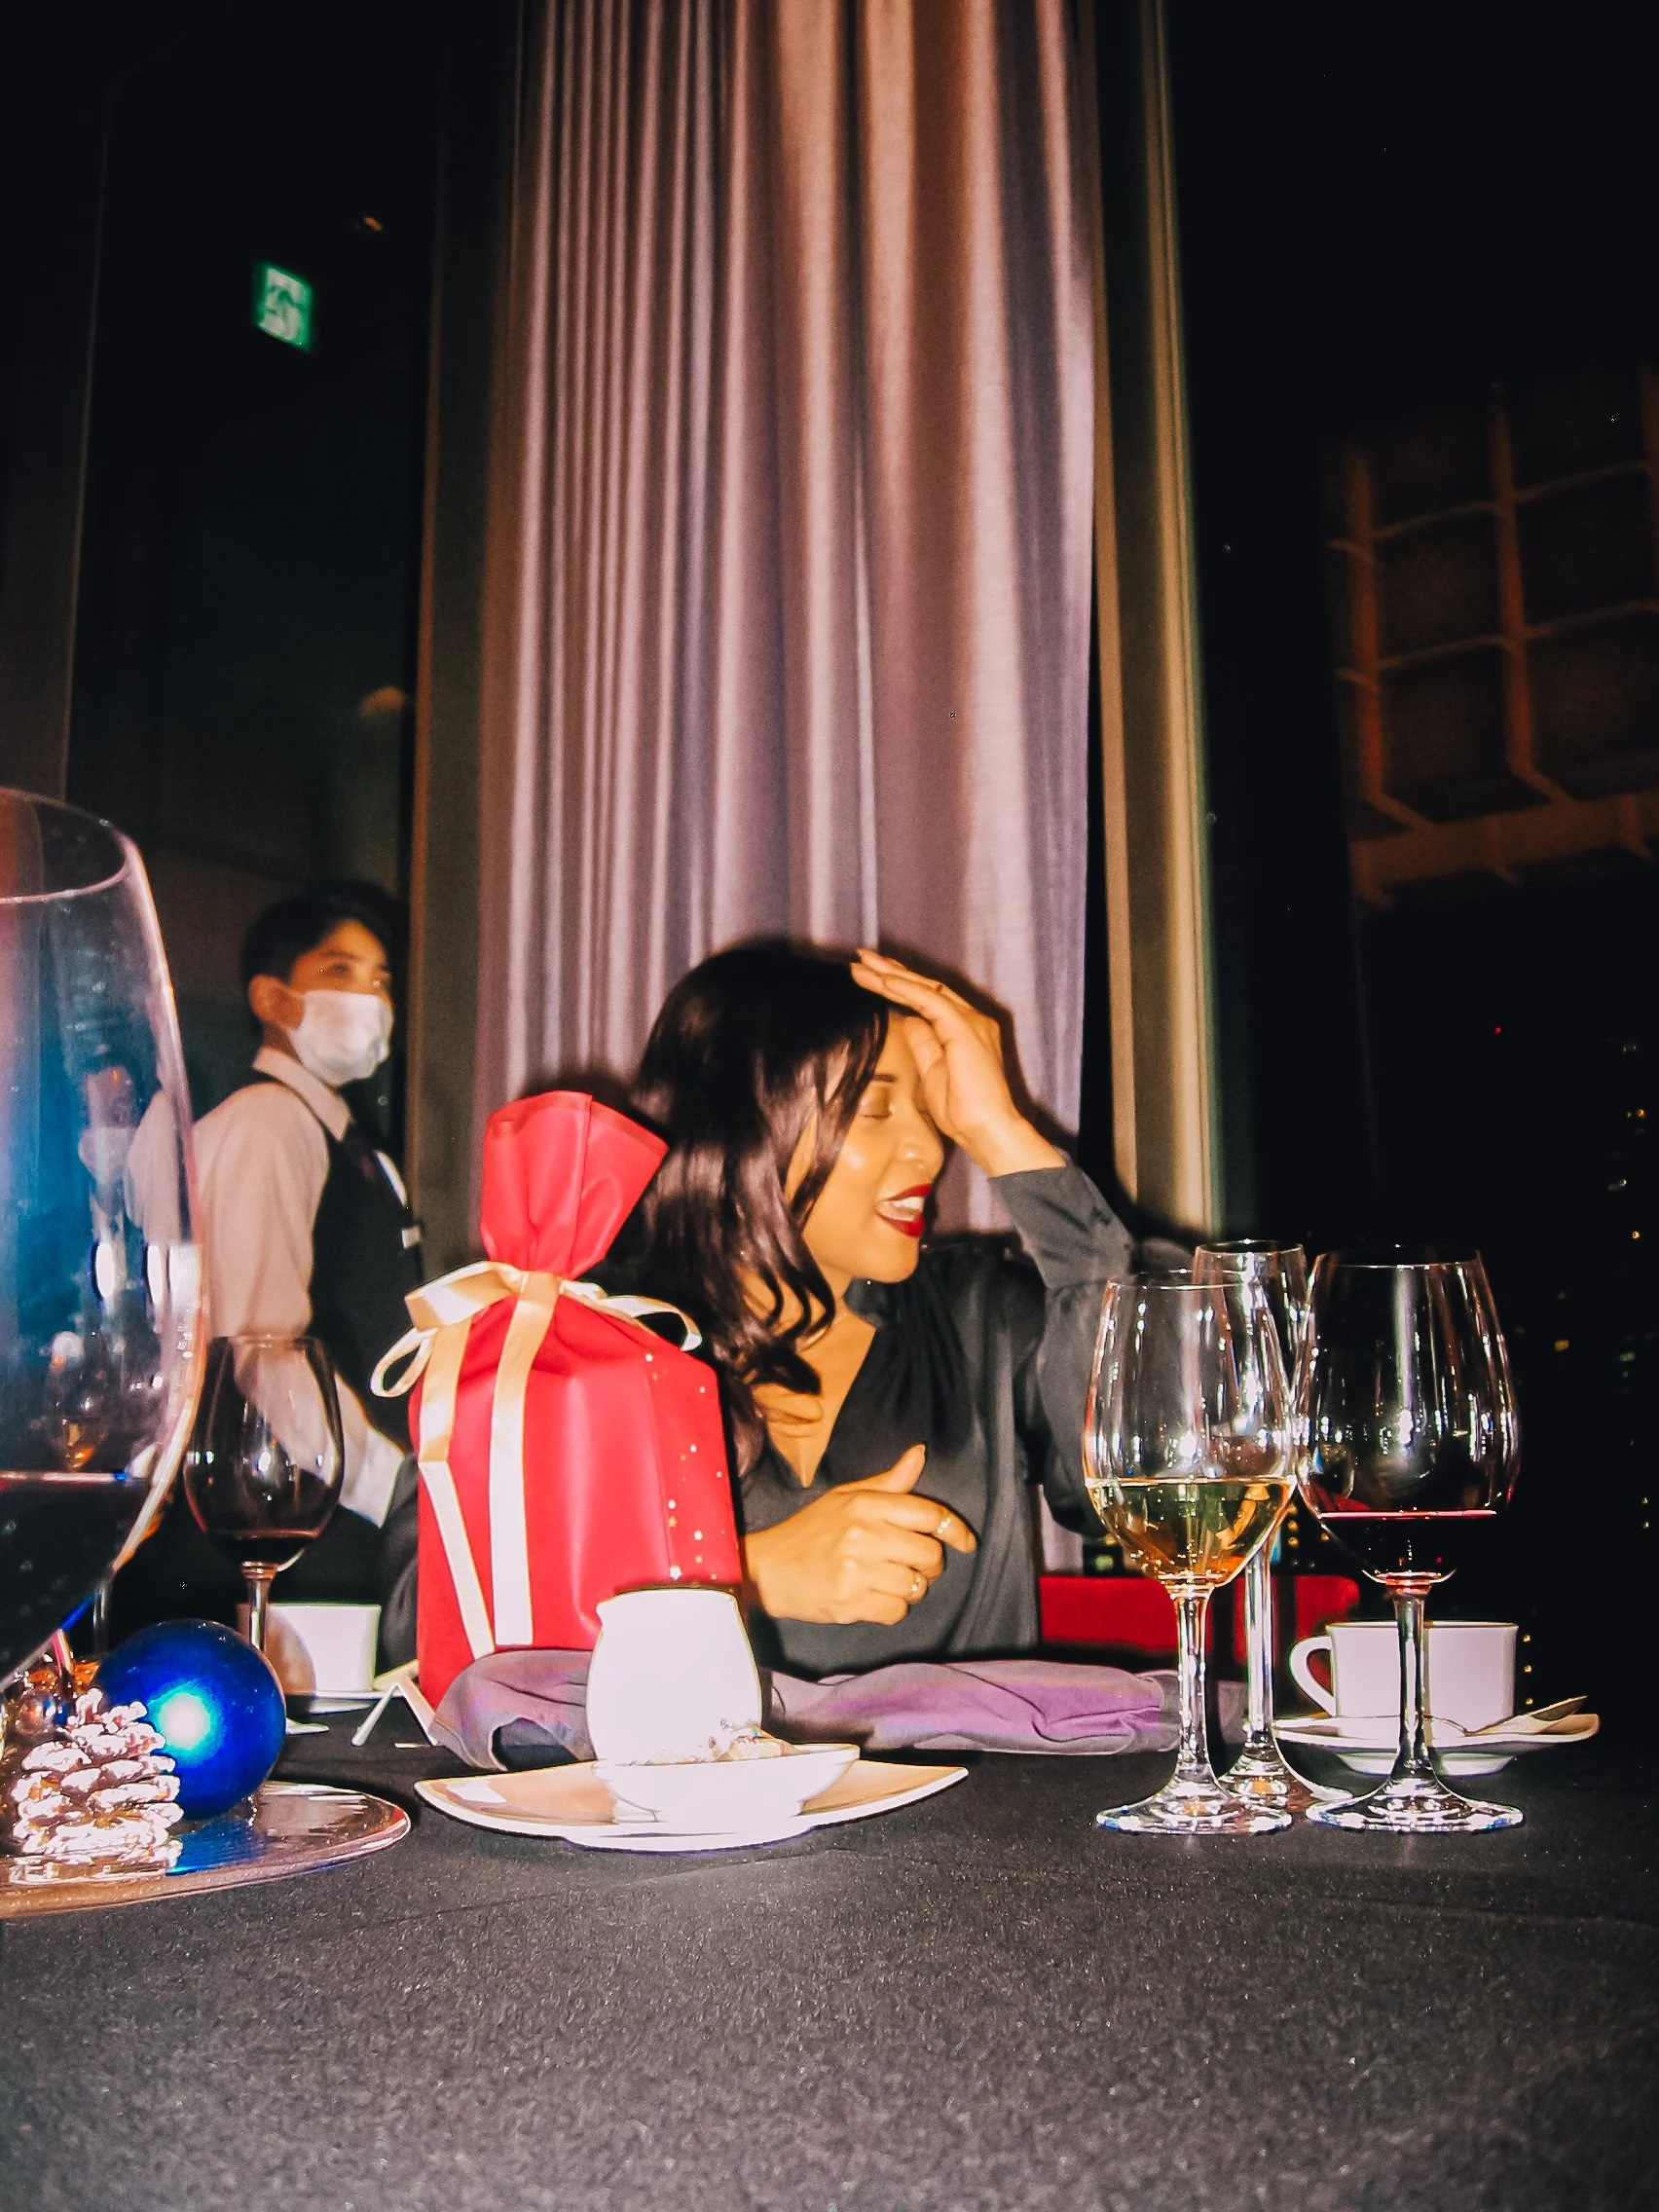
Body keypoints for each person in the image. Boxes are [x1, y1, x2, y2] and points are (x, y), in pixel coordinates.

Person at [621, 940, 1134, 1675]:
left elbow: (1151, 1483)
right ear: (741, 1135)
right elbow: (512, 1631)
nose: (929, 1149)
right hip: (700, 1756)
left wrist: (1003, 1132)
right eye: (875, 1109)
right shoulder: (612, 1347)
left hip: (973, 1753)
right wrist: (749, 1576)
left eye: (929, 1111)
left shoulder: (982, 1317)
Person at [186, 888, 422, 1640]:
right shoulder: (269, 1121)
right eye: (341, 971)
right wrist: (398, 1491)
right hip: (293, 1524)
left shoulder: (354, 1146)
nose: (370, 998)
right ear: (272, 998)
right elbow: (264, 1352)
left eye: (381, 980)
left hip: (342, 1519)